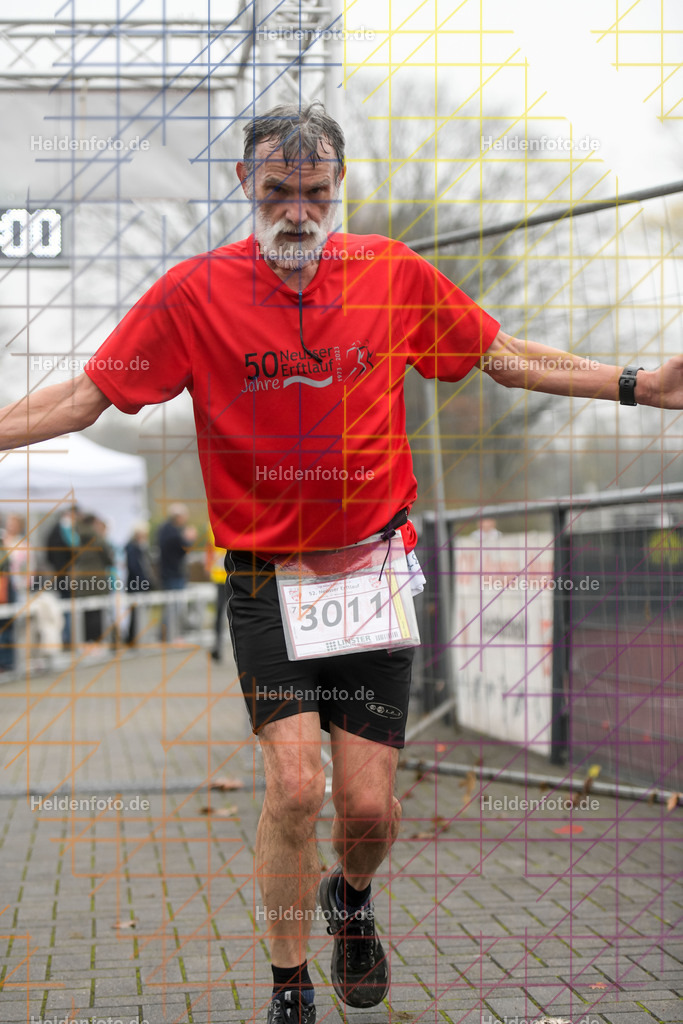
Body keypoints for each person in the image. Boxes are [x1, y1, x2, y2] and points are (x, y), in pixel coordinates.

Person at [0, 103, 681, 1023]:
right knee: (293, 786)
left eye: (315, 194)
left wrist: (634, 385)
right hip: (263, 578)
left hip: (370, 574)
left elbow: (502, 356)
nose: (296, 213)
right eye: (277, 192)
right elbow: (89, 394)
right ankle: (288, 988)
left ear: (338, 190)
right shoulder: (192, 295)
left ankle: (350, 900)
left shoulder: (390, 275)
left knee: (368, 814)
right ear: (246, 186)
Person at [156, 504, 197, 641]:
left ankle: (166, 635)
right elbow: (183, 548)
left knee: (171, 607)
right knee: (174, 607)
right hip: (173, 574)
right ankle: (170, 635)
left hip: (169, 573)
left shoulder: (164, 530)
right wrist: (188, 539)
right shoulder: (173, 533)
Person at [44, 505, 80, 649]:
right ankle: (67, 638)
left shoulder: (58, 529)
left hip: (61, 572)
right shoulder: (66, 530)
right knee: (66, 607)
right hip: (65, 574)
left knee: (65, 606)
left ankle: (67, 638)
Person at [124, 522, 156, 646]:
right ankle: (133, 639)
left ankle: (138, 637)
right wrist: (144, 581)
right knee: (135, 614)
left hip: (140, 584)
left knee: (140, 613)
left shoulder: (141, 549)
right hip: (136, 585)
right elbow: (134, 567)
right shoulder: (133, 549)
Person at [204, 525, 227, 661]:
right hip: (220, 577)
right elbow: (209, 549)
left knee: (231, 612)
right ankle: (217, 646)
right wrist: (208, 566)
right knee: (219, 612)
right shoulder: (211, 526)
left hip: (234, 576)